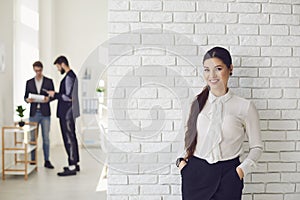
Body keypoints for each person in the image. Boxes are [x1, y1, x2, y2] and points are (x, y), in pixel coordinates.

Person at [176, 47, 263, 200]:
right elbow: (185, 136)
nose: (212, 75)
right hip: (195, 175)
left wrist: (241, 171)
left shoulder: (245, 106)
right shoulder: (195, 103)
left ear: (230, 69)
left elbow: (256, 147)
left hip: (229, 177)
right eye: (207, 70)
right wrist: (182, 165)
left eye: (218, 68)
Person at [47, 55, 80, 176]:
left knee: (69, 139)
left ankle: (72, 166)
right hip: (68, 112)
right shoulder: (71, 76)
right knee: (72, 138)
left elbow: (68, 97)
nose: (57, 69)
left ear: (62, 64)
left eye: (57, 67)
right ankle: (74, 164)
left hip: (67, 113)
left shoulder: (69, 77)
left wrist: (54, 94)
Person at [24, 61, 55, 169]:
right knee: (33, 138)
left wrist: (48, 99)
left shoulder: (48, 81)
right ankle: (33, 160)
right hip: (34, 113)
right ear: (34, 70)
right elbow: (25, 97)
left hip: (45, 113)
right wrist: (28, 100)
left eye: (39, 70)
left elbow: (53, 95)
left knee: (46, 138)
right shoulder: (29, 82)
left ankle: (47, 160)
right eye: (36, 71)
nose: (38, 73)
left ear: (42, 69)